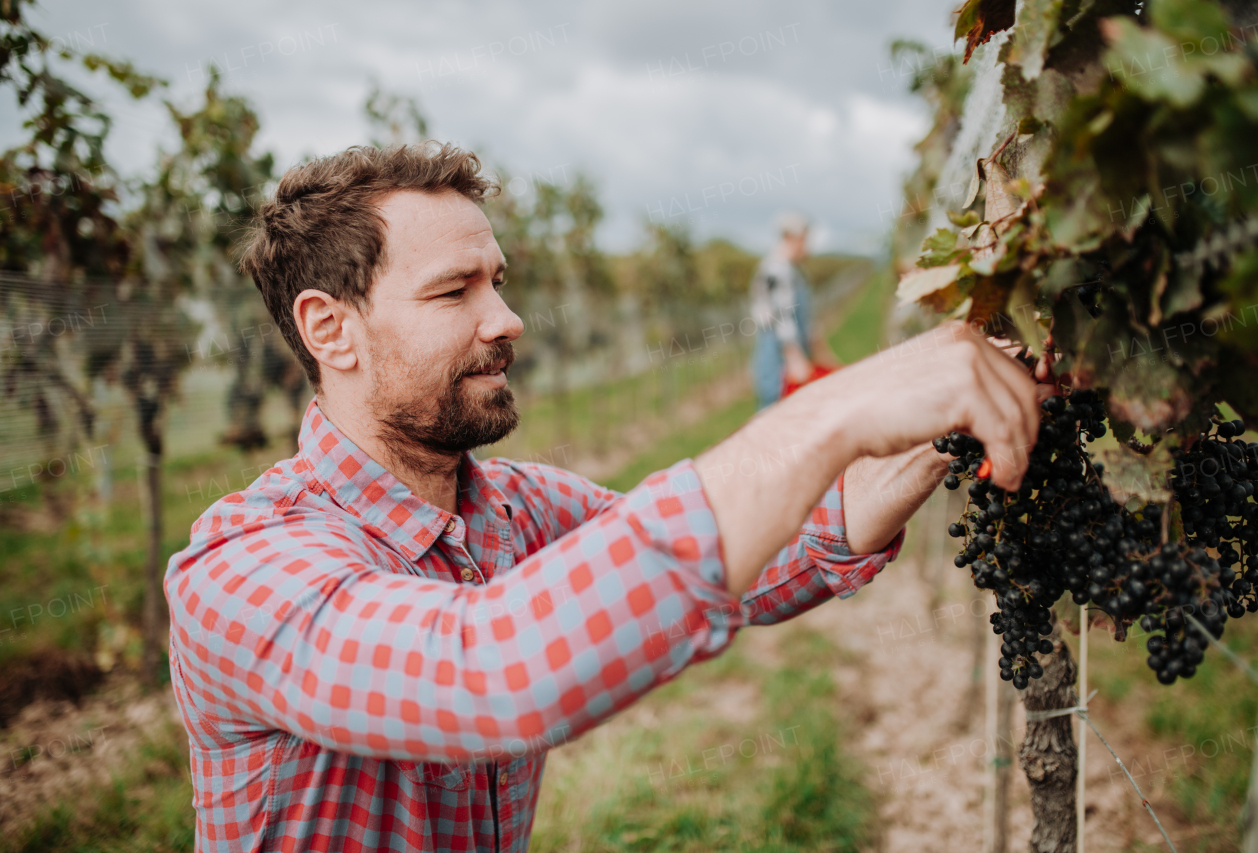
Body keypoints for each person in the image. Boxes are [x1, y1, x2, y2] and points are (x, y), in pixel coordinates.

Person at [165, 142, 1046, 853]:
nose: (505, 318)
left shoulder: (515, 509)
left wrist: (943, 431)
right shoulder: (241, 571)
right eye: (452, 291)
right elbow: (490, 678)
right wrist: (829, 412)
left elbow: (754, 560)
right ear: (330, 327)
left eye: (497, 281)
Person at [748, 212, 841, 408]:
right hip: (777, 354)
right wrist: (794, 357)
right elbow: (781, 317)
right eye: (805, 240)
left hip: (790, 350)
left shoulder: (793, 270)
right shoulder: (776, 270)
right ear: (792, 238)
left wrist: (819, 349)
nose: (808, 246)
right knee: (774, 409)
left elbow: (803, 319)